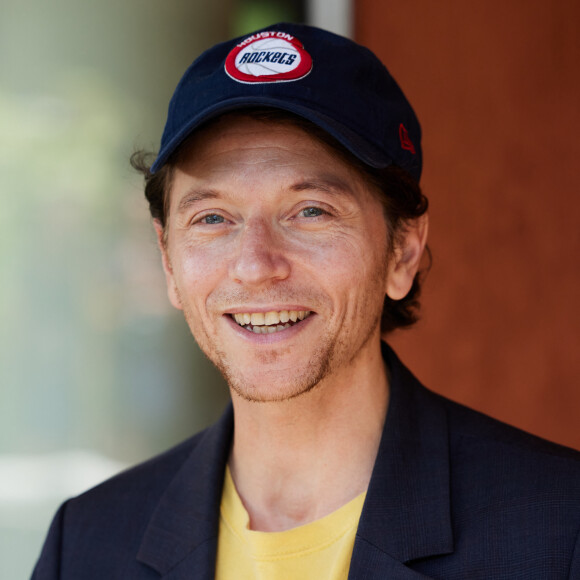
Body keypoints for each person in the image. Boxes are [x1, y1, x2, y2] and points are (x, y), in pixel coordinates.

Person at [32, 23, 580, 579]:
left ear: (403, 251)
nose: (254, 265)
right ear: (169, 260)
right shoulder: (85, 546)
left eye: (310, 211)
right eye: (213, 218)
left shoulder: (559, 532)